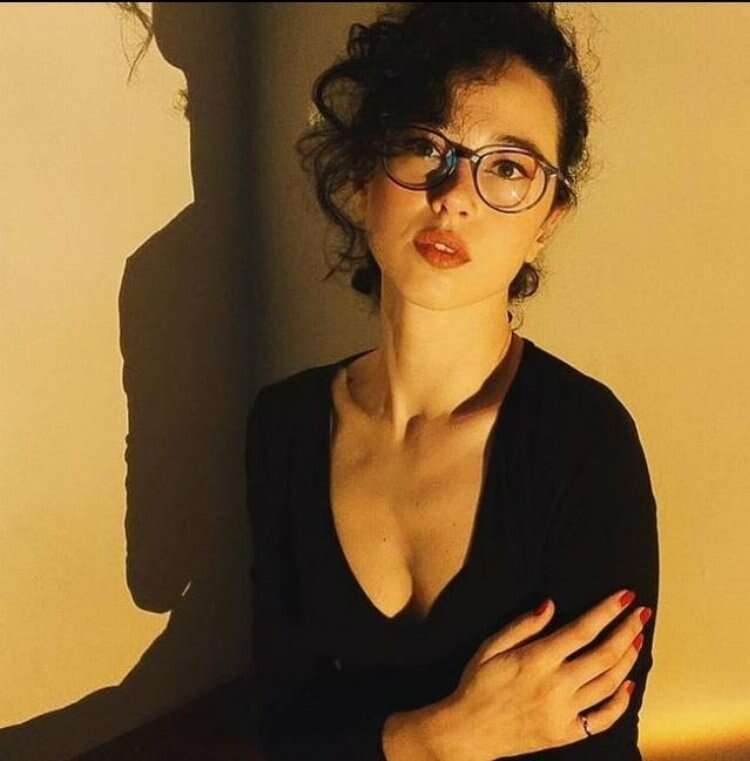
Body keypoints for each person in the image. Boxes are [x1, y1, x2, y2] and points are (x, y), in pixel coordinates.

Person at [246, 3, 659, 759]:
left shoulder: (585, 436)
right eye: (421, 145)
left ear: (548, 220)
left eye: (507, 166)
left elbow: (596, 737)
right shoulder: (285, 425)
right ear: (362, 176)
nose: (455, 194)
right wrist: (440, 737)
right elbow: (279, 729)